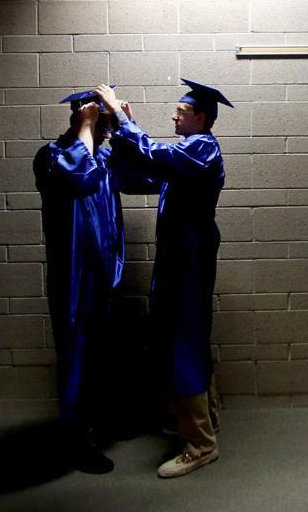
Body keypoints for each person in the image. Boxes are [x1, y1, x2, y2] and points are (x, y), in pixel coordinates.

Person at [95, 80, 226, 479]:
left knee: (184, 340)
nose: (174, 115)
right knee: (184, 336)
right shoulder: (184, 159)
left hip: (188, 262)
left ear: (200, 118)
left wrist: (120, 115)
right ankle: (205, 418)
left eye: (181, 111)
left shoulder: (202, 149)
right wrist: (118, 136)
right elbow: (143, 174)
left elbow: (154, 154)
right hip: (179, 262)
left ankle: (201, 444)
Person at [32, 88, 126, 474]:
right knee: (76, 357)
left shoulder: (101, 154)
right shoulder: (52, 158)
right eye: (100, 123)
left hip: (100, 276)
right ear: (84, 120)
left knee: (99, 355)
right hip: (72, 280)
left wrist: (121, 121)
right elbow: (79, 176)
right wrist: (88, 126)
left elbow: (134, 167)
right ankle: (76, 438)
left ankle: (95, 423)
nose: (105, 132)